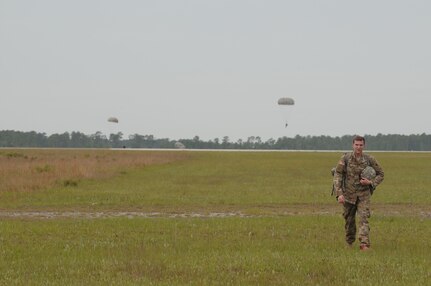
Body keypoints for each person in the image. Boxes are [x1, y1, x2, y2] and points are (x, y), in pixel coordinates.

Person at [333, 135, 384, 251]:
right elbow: (338, 174)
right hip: (348, 195)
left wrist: (371, 182)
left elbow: (381, 174)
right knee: (349, 221)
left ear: (364, 146)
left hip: (363, 195)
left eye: (361, 145)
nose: (358, 147)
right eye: (356, 145)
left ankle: (364, 245)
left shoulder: (369, 159)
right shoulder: (345, 158)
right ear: (353, 145)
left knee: (363, 219)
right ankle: (349, 243)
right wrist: (339, 193)